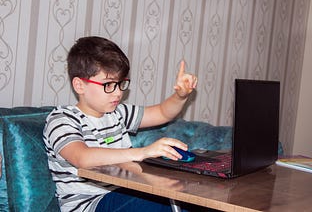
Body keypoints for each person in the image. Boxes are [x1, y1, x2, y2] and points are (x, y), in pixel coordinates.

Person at [43, 36, 197, 212]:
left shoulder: (117, 113)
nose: (117, 93)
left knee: (185, 197)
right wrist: (142, 152)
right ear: (79, 85)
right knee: (165, 202)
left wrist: (180, 96)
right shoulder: (62, 119)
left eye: (121, 83)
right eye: (108, 85)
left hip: (123, 193)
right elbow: (82, 158)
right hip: (90, 205)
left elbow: (162, 112)